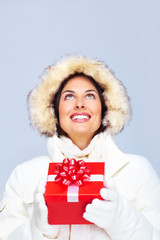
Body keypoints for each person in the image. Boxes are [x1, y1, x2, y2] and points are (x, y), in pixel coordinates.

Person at [0, 56, 160, 240]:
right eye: (69, 96)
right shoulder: (24, 175)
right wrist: (36, 229)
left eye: (90, 95)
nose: (80, 104)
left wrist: (124, 219)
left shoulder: (138, 170)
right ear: (53, 110)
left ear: (105, 107)